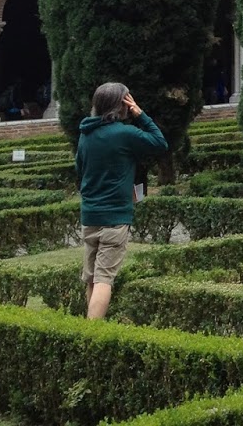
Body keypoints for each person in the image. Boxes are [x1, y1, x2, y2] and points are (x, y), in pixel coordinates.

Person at [75, 82, 167, 319]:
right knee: (104, 279)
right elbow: (160, 143)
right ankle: (92, 333)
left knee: (91, 277)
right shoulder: (124, 134)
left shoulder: (85, 134)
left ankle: (87, 326)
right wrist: (140, 114)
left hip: (90, 215)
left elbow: (80, 172)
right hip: (114, 217)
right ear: (122, 105)